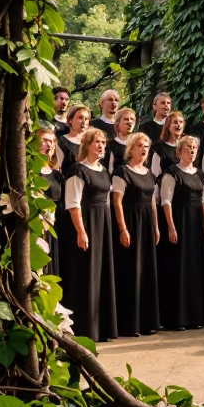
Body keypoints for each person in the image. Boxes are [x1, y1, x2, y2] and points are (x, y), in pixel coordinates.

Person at [61, 127, 117, 341]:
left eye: (103, 142)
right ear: (87, 146)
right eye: (97, 142)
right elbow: (73, 204)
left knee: (102, 273)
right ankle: (85, 328)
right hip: (87, 224)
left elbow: (108, 200)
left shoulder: (103, 170)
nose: (101, 146)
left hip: (103, 224)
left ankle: (102, 327)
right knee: (86, 274)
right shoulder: (78, 170)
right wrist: (81, 232)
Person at [158, 135, 204, 330]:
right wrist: (171, 226)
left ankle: (195, 316)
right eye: (188, 147)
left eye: (194, 147)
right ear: (179, 151)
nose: (192, 150)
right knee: (178, 267)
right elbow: (166, 201)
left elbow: (203, 201)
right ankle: (177, 318)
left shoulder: (200, 174)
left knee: (195, 267)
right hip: (180, 222)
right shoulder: (172, 173)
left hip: (196, 224)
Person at [111, 132, 161, 337]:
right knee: (130, 270)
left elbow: (152, 202)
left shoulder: (149, 173)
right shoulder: (122, 172)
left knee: (147, 271)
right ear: (131, 149)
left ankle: (147, 321)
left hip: (147, 224)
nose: (143, 149)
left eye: (146, 146)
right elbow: (117, 202)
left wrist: (156, 227)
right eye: (140, 145)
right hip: (131, 223)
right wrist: (123, 229)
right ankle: (129, 324)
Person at [35, 128, 62, 276]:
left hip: (53, 226)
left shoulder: (57, 175)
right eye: (44, 140)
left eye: (52, 142)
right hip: (36, 224)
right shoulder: (30, 170)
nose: (49, 144)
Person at [55, 104, 90, 174]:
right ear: (70, 120)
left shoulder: (91, 140)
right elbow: (58, 167)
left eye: (86, 119)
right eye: (80, 118)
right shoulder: (62, 141)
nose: (84, 122)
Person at [151, 111, 185, 177]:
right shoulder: (159, 146)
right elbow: (155, 173)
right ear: (168, 125)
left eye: (181, 122)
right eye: (175, 122)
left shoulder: (186, 144)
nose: (178, 125)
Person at [106, 107, 136, 173]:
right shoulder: (110, 145)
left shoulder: (139, 144)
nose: (129, 122)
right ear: (118, 123)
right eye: (126, 119)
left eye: (132, 119)